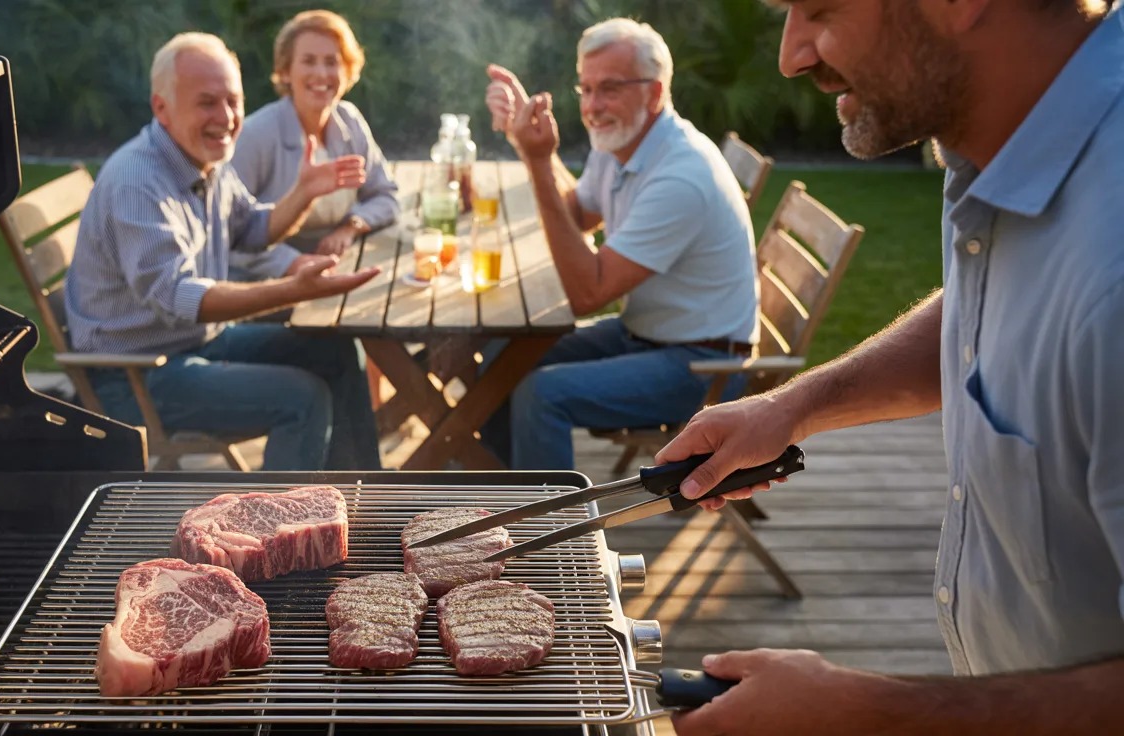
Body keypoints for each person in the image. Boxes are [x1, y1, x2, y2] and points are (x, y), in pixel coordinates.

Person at [658, 1, 1124, 734]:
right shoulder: (1003, 138)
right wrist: (795, 405)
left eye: (819, 8)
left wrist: (875, 714)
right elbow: (1000, 301)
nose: (792, 58)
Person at [65, 32, 383, 472]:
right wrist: (293, 289)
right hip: (136, 373)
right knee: (302, 398)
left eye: (234, 101)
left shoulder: (204, 159)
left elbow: (253, 229)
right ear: (162, 107)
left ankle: (358, 496)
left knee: (337, 351)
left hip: (193, 344)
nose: (228, 117)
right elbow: (182, 298)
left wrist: (304, 191)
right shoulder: (138, 182)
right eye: (207, 103)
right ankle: (282, 535)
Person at [481, 18, 759, 470]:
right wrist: (527, 141)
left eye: (609, 88)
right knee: (503, 356)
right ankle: (493, 481)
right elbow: (578, 217)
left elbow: (587, 293)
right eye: (585, 89)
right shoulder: (622, 143)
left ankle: (549, 531)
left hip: (704, 365)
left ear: (654, 92)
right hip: (646, 334)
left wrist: (536, 162)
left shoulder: (680, 177)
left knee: (541, 392)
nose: (592, 106)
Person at [229, 9, 399, 269]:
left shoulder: (350, 120)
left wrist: (349, 227)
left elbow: (386, 197)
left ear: (348, 70)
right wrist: (295, 263)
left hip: (339, 266)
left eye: (332, 62)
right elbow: (230, 235)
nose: (321, 74)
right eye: (308, 61)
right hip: (269, 286)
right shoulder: (255, 135)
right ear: (285, 71)